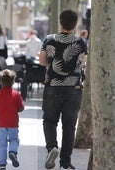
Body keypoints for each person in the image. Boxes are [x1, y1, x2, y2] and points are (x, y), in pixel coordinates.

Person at [39, 10, 88, 170]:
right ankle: (65, 162)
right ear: (75, 24)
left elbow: (42, 62)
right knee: (69, 125)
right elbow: (82, 63)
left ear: (60, 22)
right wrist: (81, 40)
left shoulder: (49, 40)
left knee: (49, 120)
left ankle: (52, 148)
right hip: (73, 88)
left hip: (52, 86)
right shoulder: (81, 43)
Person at [0, 69, 24, 170]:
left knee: (1, 143)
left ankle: (2, 163)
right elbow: (21, 108)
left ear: (1, 81)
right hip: (13, 123)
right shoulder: (16, 94)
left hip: (1, 123)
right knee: (14, 140)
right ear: (13, 81)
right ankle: (12, 152)